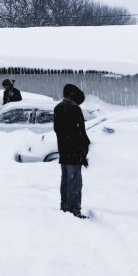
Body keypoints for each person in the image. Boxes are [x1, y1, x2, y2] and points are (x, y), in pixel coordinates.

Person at [53, 83, 90, 218]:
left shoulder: (58, 108)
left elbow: (58, 130)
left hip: (63, 151)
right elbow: (80, 133)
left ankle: (65, 207)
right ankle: (74, 210)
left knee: (65, 180)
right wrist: (84, 150)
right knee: (75, 182)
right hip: (75, 152)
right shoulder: (75, 109)